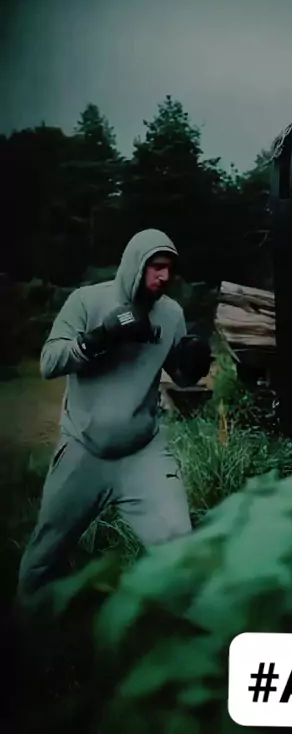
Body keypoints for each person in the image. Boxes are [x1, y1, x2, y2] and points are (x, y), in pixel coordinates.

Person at [17, 229, 211, 610]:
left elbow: (178, 373)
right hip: (83, 450)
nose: (165, 276)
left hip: (143, 452)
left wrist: (191, 367)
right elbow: (48, 362)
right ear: (135, 265)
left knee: (178, 542)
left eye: (170, 269)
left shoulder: (172, 314)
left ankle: (185, 627)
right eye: (156, 267)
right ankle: (26, 628)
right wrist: (100, 337)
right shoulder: (87, 300)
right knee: (44, 556)